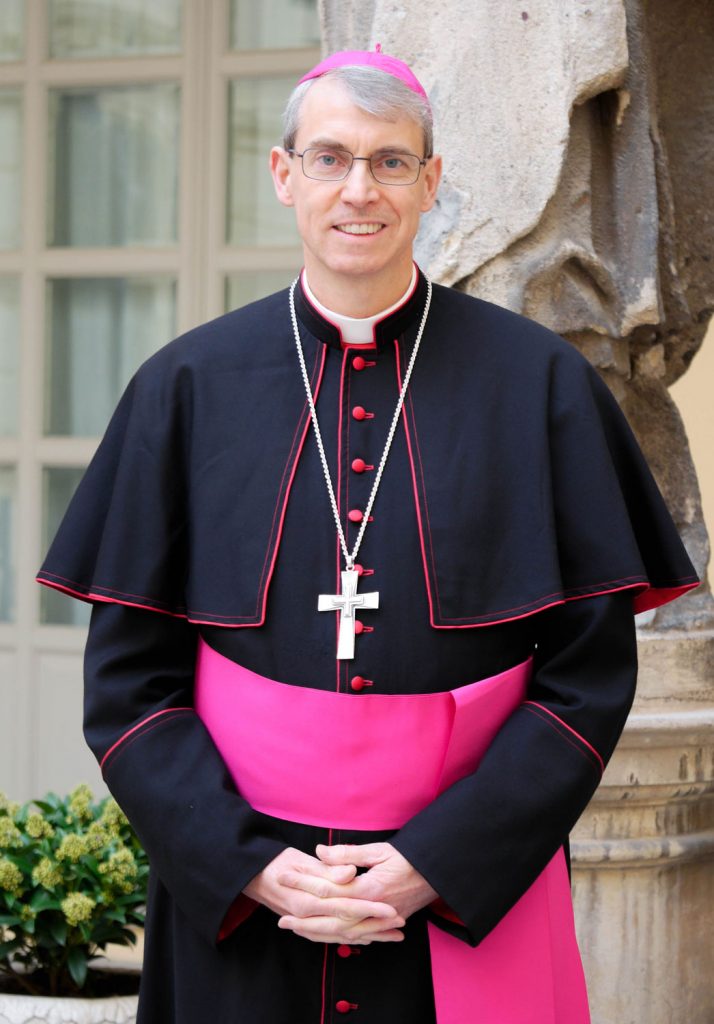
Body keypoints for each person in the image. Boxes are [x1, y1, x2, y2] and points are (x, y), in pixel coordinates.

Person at [37, 48, 698, 1024]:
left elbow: (586, 680)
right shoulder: (186, 387)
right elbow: (131, 688)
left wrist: (438, 861)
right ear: (284, 174)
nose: (360, 189)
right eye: (331, 157)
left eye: (391, 161)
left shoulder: (539, 384)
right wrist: (251, 865)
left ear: (431, 182)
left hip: (467, 889)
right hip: (247, 902)